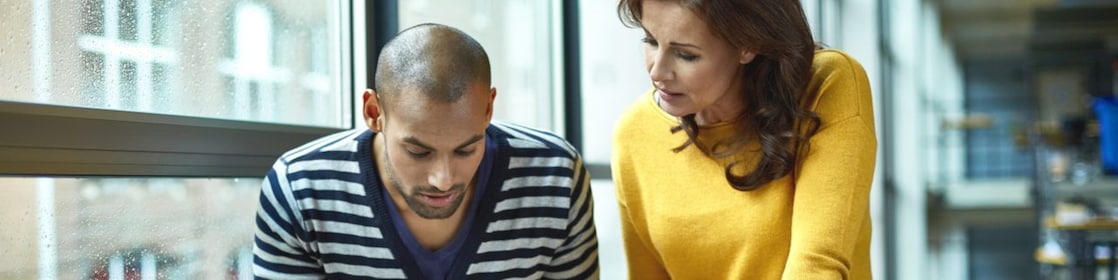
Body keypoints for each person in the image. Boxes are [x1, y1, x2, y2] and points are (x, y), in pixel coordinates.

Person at [252, 23, 599, 279]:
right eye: (418, 152)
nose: (443, 180)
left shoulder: (556, 177)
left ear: (489, 109)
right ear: (374, 113)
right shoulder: (299, 190)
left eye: (467, 149)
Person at [611, 0, 876, 279]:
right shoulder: (634, 133)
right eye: (650, 40)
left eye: (685, 55)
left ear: (748, 44)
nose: (657, 72)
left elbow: (818, 266)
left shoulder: (828, 85)